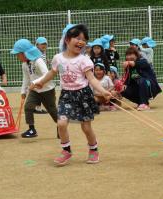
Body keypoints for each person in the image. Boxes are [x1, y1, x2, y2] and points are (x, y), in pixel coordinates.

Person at [30, 24, 111, 166]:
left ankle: (93, 149)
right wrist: (41, 82)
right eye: (77, 38)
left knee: (86, 128)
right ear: (67, 40)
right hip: (66, 95)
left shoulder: (84, 60)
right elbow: (51, 73)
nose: (81, 41)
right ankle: (66, 150)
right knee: (61, 123)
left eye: (84, 39)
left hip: (83, 95)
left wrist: (102, 91)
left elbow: (91, 79)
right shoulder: (58, 58)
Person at [11, 39, 58, 138]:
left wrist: (35, 82)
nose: (17, 57)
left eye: (18, 54)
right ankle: (32, 129)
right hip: (35, 90)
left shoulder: (38, 60)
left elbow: (46, 74)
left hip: (47, 90)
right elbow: (26, 78)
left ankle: (61, 127)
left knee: (52, 110)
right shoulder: (24, 64)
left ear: (24, 53)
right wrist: (23, 91)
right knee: (28, 107)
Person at [34, 36, 50, 114]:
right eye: (42, 44)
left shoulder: (43, 52)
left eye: (45, 44)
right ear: (37, 45)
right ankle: (37, 108)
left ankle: (37, 107)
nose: (44, 45)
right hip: (38, 75)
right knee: (39, 91)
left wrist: (46, 61)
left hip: (41, 75)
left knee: (39, 91)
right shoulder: (37, 52)